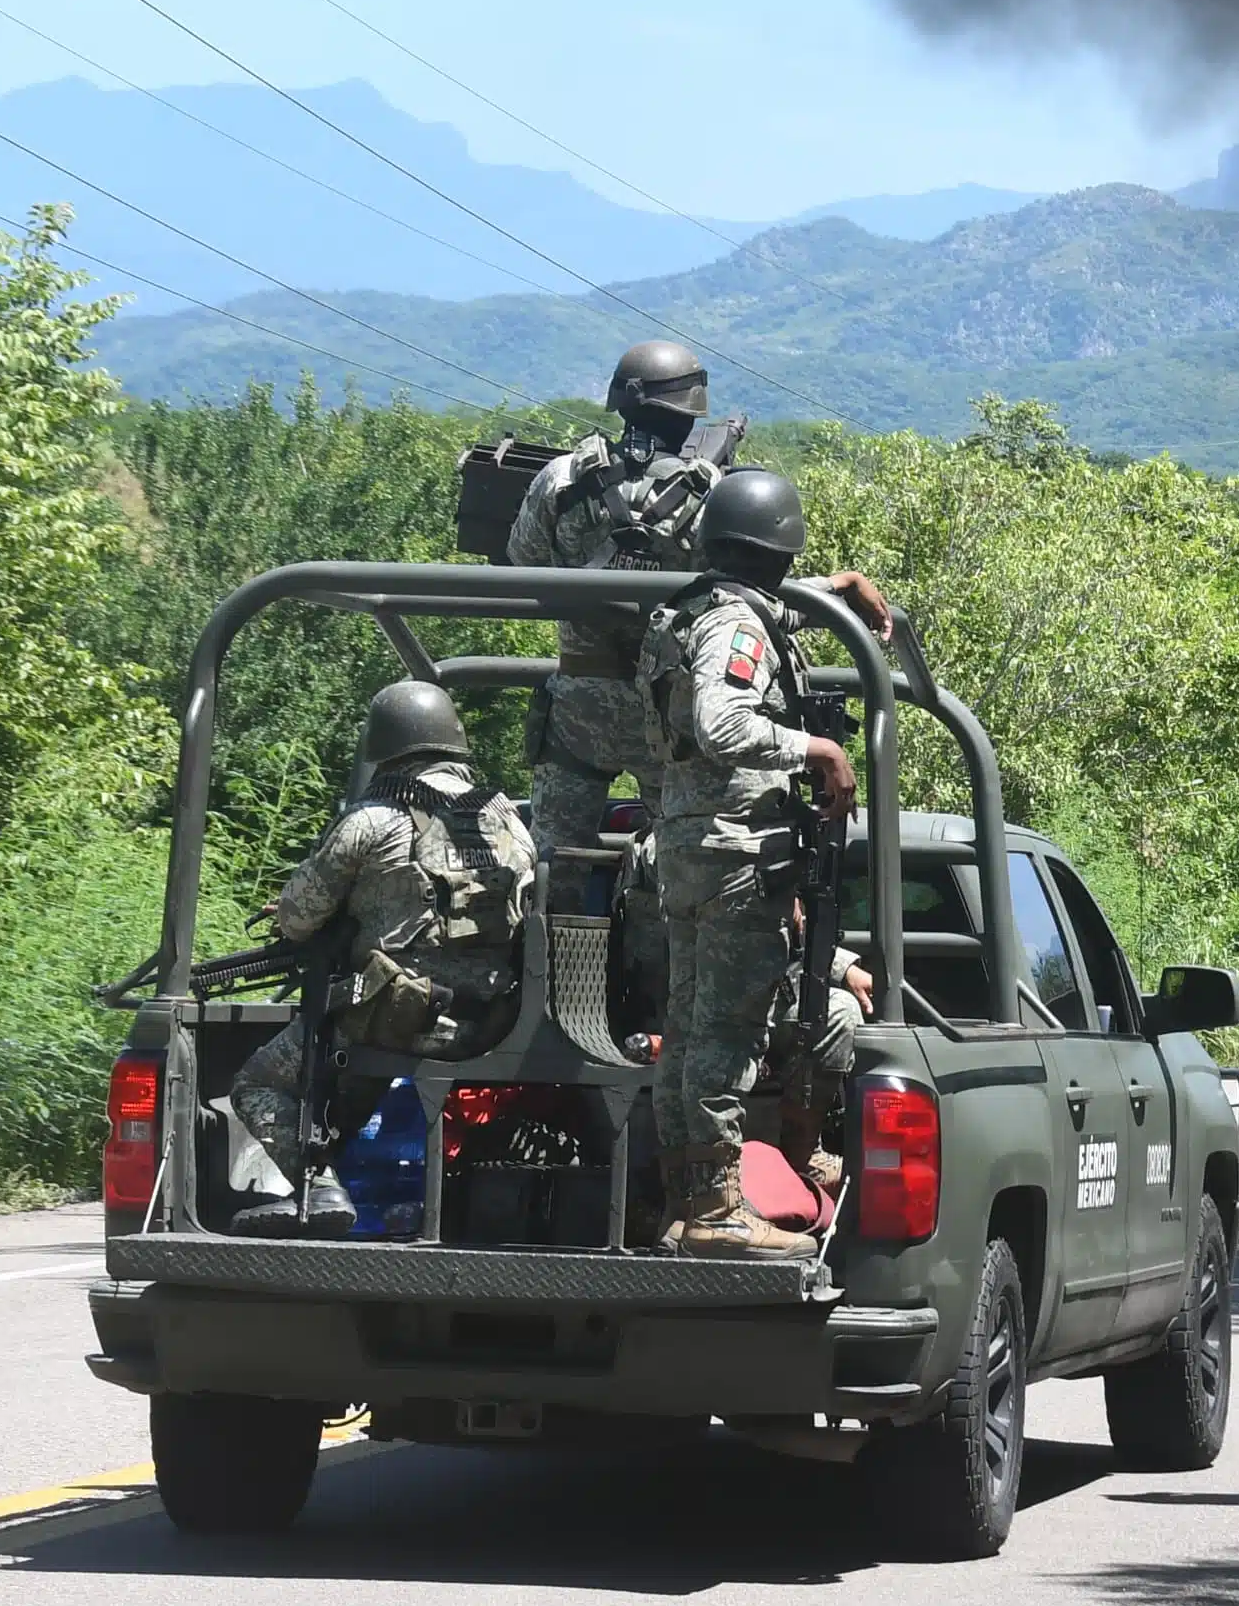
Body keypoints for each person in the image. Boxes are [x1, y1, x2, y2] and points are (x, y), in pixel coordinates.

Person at [640, 467, 868, 1257]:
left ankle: (692, 1199)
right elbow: (722, 718)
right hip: (737, 853)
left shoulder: (690, 610)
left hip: (690, 848)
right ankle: (716, 1209)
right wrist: (816, 749)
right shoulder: (733, 625)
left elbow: (745, 613)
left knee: (690, 1025)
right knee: (726, 1033)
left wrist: (828, 588)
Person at [221, 679, 539, 1236]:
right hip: (492, 1021)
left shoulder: (370, 819)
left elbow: (298, 919)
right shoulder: (511, 821)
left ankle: (320, 1184)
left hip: (393, 1022)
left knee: (258, 1082)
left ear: (386, 747)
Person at [512, 342, 736, 858]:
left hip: (576, 703)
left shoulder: (562, 477)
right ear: (687, 416)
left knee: (553, 860)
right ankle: (651, 934)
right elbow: (730, 592)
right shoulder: (715, 494)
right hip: (666, 711)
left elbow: (520, 560)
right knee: (676, 859)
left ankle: (549, 934)